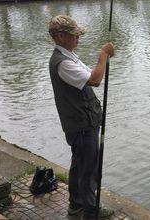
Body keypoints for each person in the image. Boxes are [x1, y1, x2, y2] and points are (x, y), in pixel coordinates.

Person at [48, 15, 115, 219]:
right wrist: (103, 54)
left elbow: (90, 74)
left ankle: (76, 204)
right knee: (88, 167)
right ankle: (90, 209)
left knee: (79, 164)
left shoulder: (70, 56)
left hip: (83, 122)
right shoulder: (62, 63)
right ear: (61, 36)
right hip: (81, 125)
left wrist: (102, 60)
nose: (78, 38)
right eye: (74, 35)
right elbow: (95, 80)